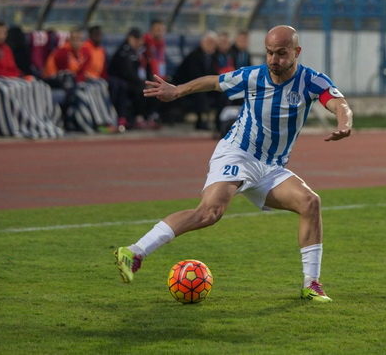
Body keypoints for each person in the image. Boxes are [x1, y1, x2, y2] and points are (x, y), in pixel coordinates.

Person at [114, 25, 353, 303]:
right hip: (237, 154)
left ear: (296, 52)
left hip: (271, 167)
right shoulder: (253, 76)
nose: (274, 60)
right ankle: (133, 252)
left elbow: (339, 104)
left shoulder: (311, 80)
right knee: (210, 212)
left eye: (281, 53)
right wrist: (177, 91)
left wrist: (345, 124)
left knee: (310, 203)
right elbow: (214, 82)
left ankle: (311, 284)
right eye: (269, 53)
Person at [0, 20, 64, 138]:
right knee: (5, 91)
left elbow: (13, 67)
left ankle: (42, 122)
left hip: (12, 79)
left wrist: (22, 76)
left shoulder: (6, 48)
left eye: (3, 32)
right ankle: (10, 126)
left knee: (39, 86)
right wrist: (13, 77)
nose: (1, 35)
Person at [43, 27, 118, 133]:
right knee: (84, 92)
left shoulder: (83, 52)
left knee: (99, 86)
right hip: (55, 80)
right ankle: (92, 123)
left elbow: (82, 72)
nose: (77, 42)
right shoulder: (62, 52)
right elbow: (65, 73)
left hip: (73, 81)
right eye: (74, 39)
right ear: (69, 40)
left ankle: (107, 120)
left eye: (80, 39)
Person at [173, 31, 225, 130]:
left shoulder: (215, 57)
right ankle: (202, 121)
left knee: (224, 91)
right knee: (201, 92)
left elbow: (215, 75)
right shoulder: (194, 56)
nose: (211, 46)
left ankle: (219, 122)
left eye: (213, 43)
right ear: (202, 43)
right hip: (188, 86)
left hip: (206, 86)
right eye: (209, 42)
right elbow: (195, 77)